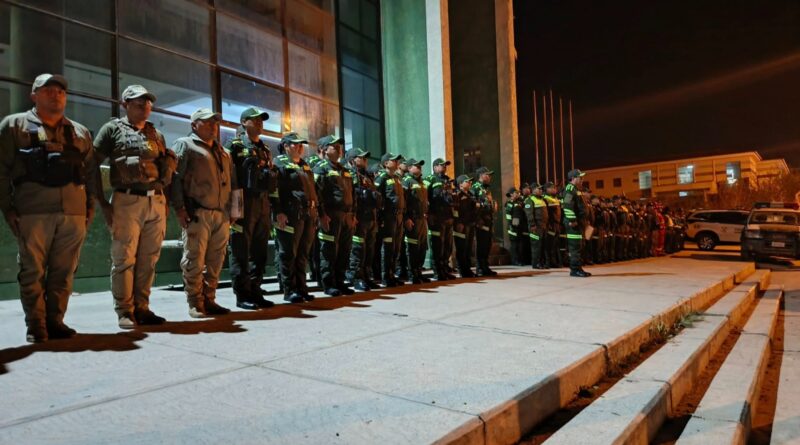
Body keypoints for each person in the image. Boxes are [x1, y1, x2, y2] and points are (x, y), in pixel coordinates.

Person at [0, 74, 96, 343]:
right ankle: (36, 324)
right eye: (48, 90)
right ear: (34, 95)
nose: (56, 94)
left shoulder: (79, 131)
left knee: (64, 270)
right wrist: (8, 208)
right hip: (33, 209)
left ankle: (55, 321)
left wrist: (90, 206)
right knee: (32, 270)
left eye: (61, 91)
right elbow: (1, 171)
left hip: (73, 212)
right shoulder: (14, 125)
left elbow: (90, 173)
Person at [93, 84, 176, 328]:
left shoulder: (155, 134)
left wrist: (165, 201)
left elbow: (164, 168)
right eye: (139, 102)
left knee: (149, 259)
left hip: (156, 200)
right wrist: (102, 202)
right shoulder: (111, 129)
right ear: (125, 104)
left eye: (147, 102)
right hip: (126, 200)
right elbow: (91, 165)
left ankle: (142, 308)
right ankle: (125, 310)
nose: (145, 106)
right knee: (124, 257)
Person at [171, 108, 236, 317]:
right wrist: (180, 208)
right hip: (197, 212)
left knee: (216, 260)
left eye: (215, 122)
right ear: (194, 125)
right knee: (194, 259)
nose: (212, 126)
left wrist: (236, 210)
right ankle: (195, 302)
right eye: (206, 122)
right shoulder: (185, 145)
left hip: (221, 215)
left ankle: (209, 299)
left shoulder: (224, 152)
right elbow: (175, 179)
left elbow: (234, 183)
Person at [225, 107, 276, 310]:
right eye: (255, 120)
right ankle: (242, 294)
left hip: (262, 202)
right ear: (244, 122)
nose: (259, 123)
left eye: (261, 120)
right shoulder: (234, 145)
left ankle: (255, 290)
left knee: (259, 251)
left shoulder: (265, 148)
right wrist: (233, 208)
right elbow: (229, 176)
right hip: (242, 200)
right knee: (241, 249)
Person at [272, 132, 318, 303]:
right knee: (288, 254)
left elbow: (313, 189)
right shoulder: (279, 163)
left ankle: (301, 288)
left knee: (303, 254)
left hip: (308, 214)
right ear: (285, 146)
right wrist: (278, 212)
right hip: (290, 214)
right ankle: (289, 290)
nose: (300, 147)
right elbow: (274, 189)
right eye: (295, 144)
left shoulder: (305, 165)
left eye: (301, 144)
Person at [313, 135, 356, 296]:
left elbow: (353, 194)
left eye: (339, 147)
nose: (339, 149)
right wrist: (322, 215)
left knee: (344, 251)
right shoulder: (321, 168)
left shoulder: (344, 170)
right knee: (329, 251)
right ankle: (329, 284)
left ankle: (340, 282)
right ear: (324, 149)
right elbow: (317, 193)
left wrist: (353, 214)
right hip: (331, 215)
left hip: (346, 216)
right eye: (334, 146)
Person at [346, 147, 380, 291]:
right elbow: (351, 196)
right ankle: (357, 278)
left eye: (365, 158)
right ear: (352, 160)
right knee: (358, 249)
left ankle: (366, 276)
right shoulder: (350, 174)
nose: (365, 160)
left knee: (369, 250)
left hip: (370, 217)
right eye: (361, 157)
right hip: (359, 217)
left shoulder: (368, 175)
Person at [374, 152, 405, 287]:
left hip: (399, 217)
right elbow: (377, 198)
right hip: (388, 217)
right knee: (388, 247)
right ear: (386, 163)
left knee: (396, 248)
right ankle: (386, 276)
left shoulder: (397, 178)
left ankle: (392, 274)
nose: (397, 162)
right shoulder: (381, 178)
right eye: (393, 160)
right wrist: (380, 217)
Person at [425, 158, 456, 280]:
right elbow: (424, 197)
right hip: (436, 217)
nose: (444, 167)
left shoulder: (447, 180)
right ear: (435, 167)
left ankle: (444, 269)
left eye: (445, 165)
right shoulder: (430, 179)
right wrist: (429, 214)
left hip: (448, 217)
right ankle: (437, 272)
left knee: (447, 246)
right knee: (437, 245)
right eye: (442, 165)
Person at [402, 159, 429, 284]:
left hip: (422, 219)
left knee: (422, 247)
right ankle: (412, 274)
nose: (419, 167)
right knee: (413, 247)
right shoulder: (406, 181)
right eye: (416, 166)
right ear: (409, 168)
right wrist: (406, 218)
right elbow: (404, 202)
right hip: (413, 219)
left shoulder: (422, 182)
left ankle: (419, 272)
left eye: (420, 166)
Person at [562, 169, 591, 277]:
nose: (582, 179)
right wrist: (572, 220)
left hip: (579, 223)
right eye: (580, 177)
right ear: (573, 178)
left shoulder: (576, 189)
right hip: (573, 224)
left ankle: (578, 268)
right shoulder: (569, 189)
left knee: (579, 246)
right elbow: (567, 206)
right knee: (575, 247)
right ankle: (575, 270)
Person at [472, 166, 497, 276]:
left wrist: (494, 205)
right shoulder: (475, 187)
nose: (490, 177)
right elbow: (473, 205)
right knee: (481, 245)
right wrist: (478, 220)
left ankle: (485, 266)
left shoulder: (486, 189)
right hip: (481, 221)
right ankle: (480, 268)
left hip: (489, 219)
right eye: (488, 175)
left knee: (487, 244)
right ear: (481, 175)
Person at [453, 174, 477, 277]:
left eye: (470, 181)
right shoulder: (457, 195)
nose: (470, 183)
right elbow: (455, 210)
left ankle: (467, 269)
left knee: (468, 248)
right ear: (460, 184)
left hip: (470, 224)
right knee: (462, 248)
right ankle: (462, 270)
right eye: (467, 181)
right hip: (461, 225)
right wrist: (458, 222)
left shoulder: (471, 194)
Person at [524, 183, 548, 269]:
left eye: (541, 189)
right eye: (539, 189)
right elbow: (529, 214)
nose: (541, 190)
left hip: (543, 226)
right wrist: (532, 225)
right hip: (536, 227)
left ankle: (541, 262)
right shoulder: (530, 200)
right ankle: (536, 263)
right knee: (536, 246)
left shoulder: (542, 199)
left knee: (542, 246)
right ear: (533, 190)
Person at [543, 182, 562, 268]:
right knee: (548, 245)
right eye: (551, 188)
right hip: (550, 225)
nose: (554, 189)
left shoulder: (555, 198)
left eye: (554, 187)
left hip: (557, 224)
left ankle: (554, 262)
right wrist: (548, 224)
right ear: (546, 189)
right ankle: (548, 262)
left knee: (555, 244)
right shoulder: (545, 199)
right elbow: (545, 213)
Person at [504, 187, 525, 266]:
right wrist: (512, 225)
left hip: (519, 225)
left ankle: (519, 260)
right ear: (512, 194)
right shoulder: (509, 203)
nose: (518, 194)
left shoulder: (518, 202)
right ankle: (515, 260)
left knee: (519, 244)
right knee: (514, 245)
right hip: (513, 226)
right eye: (516, 193)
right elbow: (509, 215)